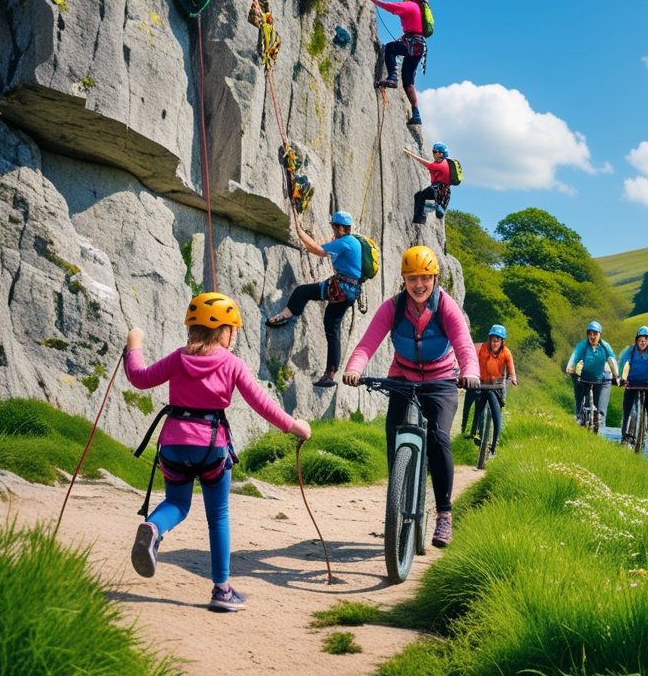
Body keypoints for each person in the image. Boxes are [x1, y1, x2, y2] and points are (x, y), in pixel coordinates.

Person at [126, 292, 312, 612]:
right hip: (211, 446)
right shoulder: (231, 362)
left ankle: (153, 528)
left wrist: (134, 343)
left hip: (173, 443)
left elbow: (139, 378)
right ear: (225, 331)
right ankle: (221, 591)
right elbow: (262, 405)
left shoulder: (178, 357)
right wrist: (295, 426)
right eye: (233, 329)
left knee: (176, 503)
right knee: (218, 516)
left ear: (192, 329)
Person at [342, 246, 479, 547]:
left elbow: (465, 346)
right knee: (393, 432)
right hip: (402, 376)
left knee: (440, 437)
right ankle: (397, 500)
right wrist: (354, 368)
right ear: (403, 279)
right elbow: (368, 343)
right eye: (412, 278)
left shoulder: (446, 307)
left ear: (434, 278)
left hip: (441, 378)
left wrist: (470, 371)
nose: (419, 285)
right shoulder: (393, 307)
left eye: (425, 278)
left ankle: (444, 514)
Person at [265, 210, 362, 388]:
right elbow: (321, 247)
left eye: (334, 227)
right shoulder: (352, 241)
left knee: (303, 292)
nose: (333, 230)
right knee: (332, 325)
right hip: (349, 290)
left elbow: (318, 250)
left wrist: (300, 231)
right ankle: (330, 374)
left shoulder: (344, 243)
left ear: (341, 228)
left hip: (341, 288)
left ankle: (285, 316)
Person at [369, 0, 430, 126]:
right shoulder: (414, 7)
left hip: (414, 43)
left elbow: (390, 7)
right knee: (408, 83)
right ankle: (416, 115)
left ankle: (392, 78)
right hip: (417, 44)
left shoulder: (410, 6)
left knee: (390, 48)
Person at [463, 324, 518, 454]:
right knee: (478, 410)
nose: (494, 343)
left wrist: (512, 377)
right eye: (493, 339)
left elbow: (511, 368)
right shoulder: (483, 348)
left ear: (502, 341)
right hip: (482, 385)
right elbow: (474, 362)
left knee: (496, 414)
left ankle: (493, 447)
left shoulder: (506, 352)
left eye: (497, 340)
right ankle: (472, 435)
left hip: (497, 388)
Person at [564, 320, 619, 427]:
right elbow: (574, 357)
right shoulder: (582, 346)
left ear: (599, 335)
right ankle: (580, 417)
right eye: (590, 334)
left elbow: (612, 361)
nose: (592, 336)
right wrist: (569, 368)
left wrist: (616, 376)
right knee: (581, 400)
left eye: (595, 334)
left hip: (602, 379)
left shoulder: (605, 346)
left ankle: (599, 427)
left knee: (600, 410)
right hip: (585, 377)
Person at [617, 325, 648, 445]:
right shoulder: (630, 350)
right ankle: (624, 436)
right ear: (636, 340)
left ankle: (647, 426)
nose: (643, 342)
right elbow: (622, 363)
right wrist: (622, 378)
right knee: (627, 408)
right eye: (640, 340)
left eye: (645, 340)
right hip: (632, 382)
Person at [403, 143, 454, 222]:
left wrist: (410, 153)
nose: (433, 154)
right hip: (446, 193)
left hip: (437, 188)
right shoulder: (447, 164)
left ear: (441, 153)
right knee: (439, 212)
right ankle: (437, 207)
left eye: (434, 152)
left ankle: (420, 219)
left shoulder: (440, 165)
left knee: (419, 196)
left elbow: (426, 164)